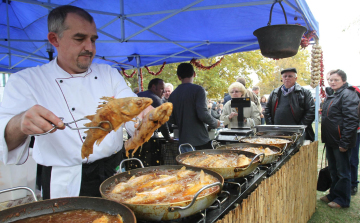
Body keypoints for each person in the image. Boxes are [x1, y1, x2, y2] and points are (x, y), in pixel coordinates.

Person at [0, 5, 151, 199]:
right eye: (80, 39)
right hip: (66, 181)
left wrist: (144, 116)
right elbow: (5, 138)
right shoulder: (27, 80)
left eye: (93, 39)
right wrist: (20, 123)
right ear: (55, 39)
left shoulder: (109, 74)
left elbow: (131, 108)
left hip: (113, 172)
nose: (89, 47)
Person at [320, 69, 359, 208]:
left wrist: (345, 142)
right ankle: (333, 194)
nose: (332, 82)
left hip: (341, 141)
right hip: (331, 140)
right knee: (333, 170)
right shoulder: (334, 94)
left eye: (336, 80)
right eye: (330, 80)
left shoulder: (348, 94)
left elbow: (351, 120)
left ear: (343, 80)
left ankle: (343, 200)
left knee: (343, 172)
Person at [168, 63, 220, 152]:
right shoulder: (199, 90)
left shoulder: (172, 95)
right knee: (202, 165)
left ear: (179, 77)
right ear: (194, 74)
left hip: (183, 141)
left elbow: (171, 118)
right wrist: (215, 123)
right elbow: (202, 114)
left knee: (186, 166)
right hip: (200, 141)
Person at [264, 68, 315, 141]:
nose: (287, 78)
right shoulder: (275, 92)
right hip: (277, 132)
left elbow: (311, 111)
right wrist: (271, 126)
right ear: (282, 78)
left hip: (297, 133)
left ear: (296, 78)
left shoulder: (304, 93)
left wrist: (300, 127)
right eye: (285, 76)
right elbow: (267, 110)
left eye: (290, 76)